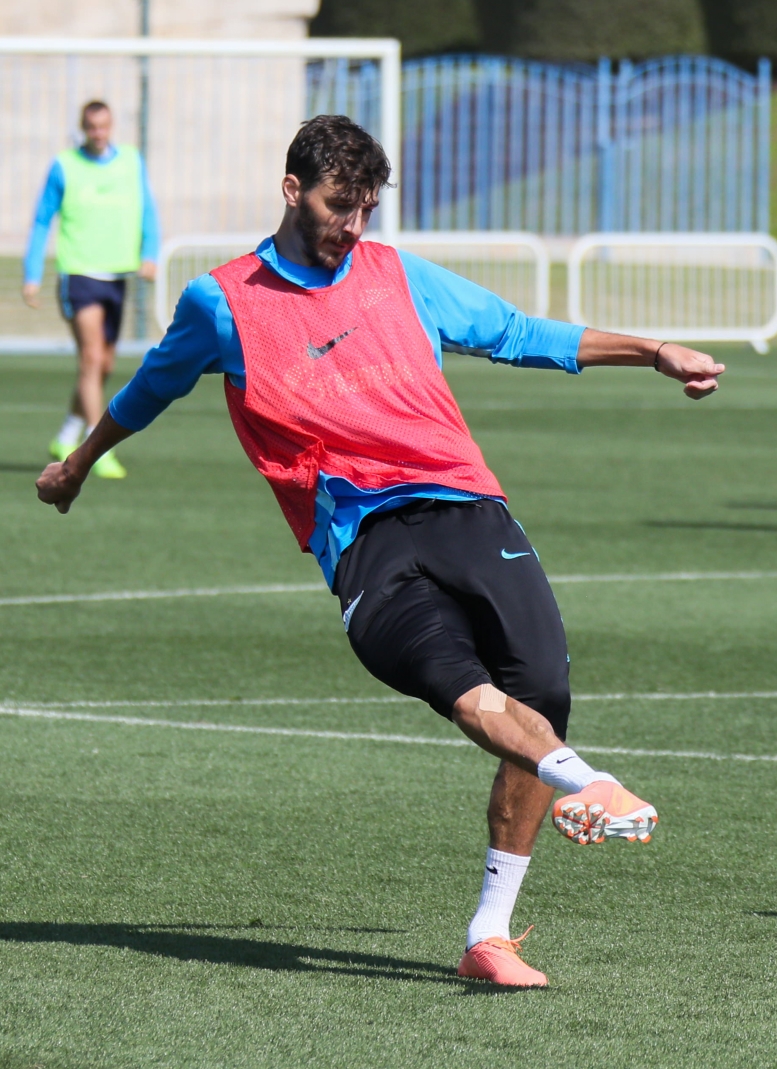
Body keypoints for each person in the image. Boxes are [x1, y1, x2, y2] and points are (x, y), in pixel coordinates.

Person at [35, 115, 727, 987]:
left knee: (543, 694)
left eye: (366, 208)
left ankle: (490, 933)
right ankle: (589, 779)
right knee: (462, 687)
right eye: (339, 205)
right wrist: (78, 464)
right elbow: (149, 389)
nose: (352, 225)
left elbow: (517, 332)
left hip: (469, 508)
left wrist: (654, 351)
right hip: (364, 541)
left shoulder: (398, 274)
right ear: (293, 190)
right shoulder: (223, 302)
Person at [23, 101, 160, 480]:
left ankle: (67, 434)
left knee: (104, 364)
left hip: (117, 274)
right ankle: (96, 447)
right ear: (83, 128)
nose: (98, 134)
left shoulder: (131, 161)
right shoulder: (65, 165)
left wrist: (149, 253)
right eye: (92, 127)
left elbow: (148, 209)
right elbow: (41, 219)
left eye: (103, 126)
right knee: (91, 357)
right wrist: (32, 274)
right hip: (79, 272)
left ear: (111, 126)